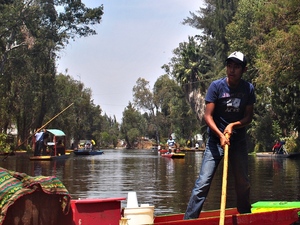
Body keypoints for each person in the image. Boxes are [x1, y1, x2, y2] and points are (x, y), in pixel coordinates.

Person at [184, 51, 256, 219]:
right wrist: (220, 135)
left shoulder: (248, 89)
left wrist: (233, 125)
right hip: (216, 141)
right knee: (202, 183)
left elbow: (248, 117)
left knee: (243, 183)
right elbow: (207, 116)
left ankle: (246, 217)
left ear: (244, 70)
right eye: (229, 66)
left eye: (236, 67)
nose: (232, 70)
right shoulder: (216, 87)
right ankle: (189, 220)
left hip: (237, 141)